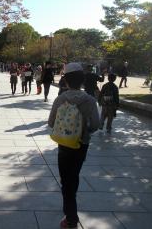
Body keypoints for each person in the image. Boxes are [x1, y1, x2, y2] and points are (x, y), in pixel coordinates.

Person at [48, 62, 99, 229]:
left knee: (65, 179)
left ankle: (71, 217)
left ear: (66, 81)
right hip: (82, 144)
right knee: (74, 174)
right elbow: (96, 125)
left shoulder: (60, 99)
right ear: (82, 81)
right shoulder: (90, 100)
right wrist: (84, 131)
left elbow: (50, 122)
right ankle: (70, 203)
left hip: (64, 144)